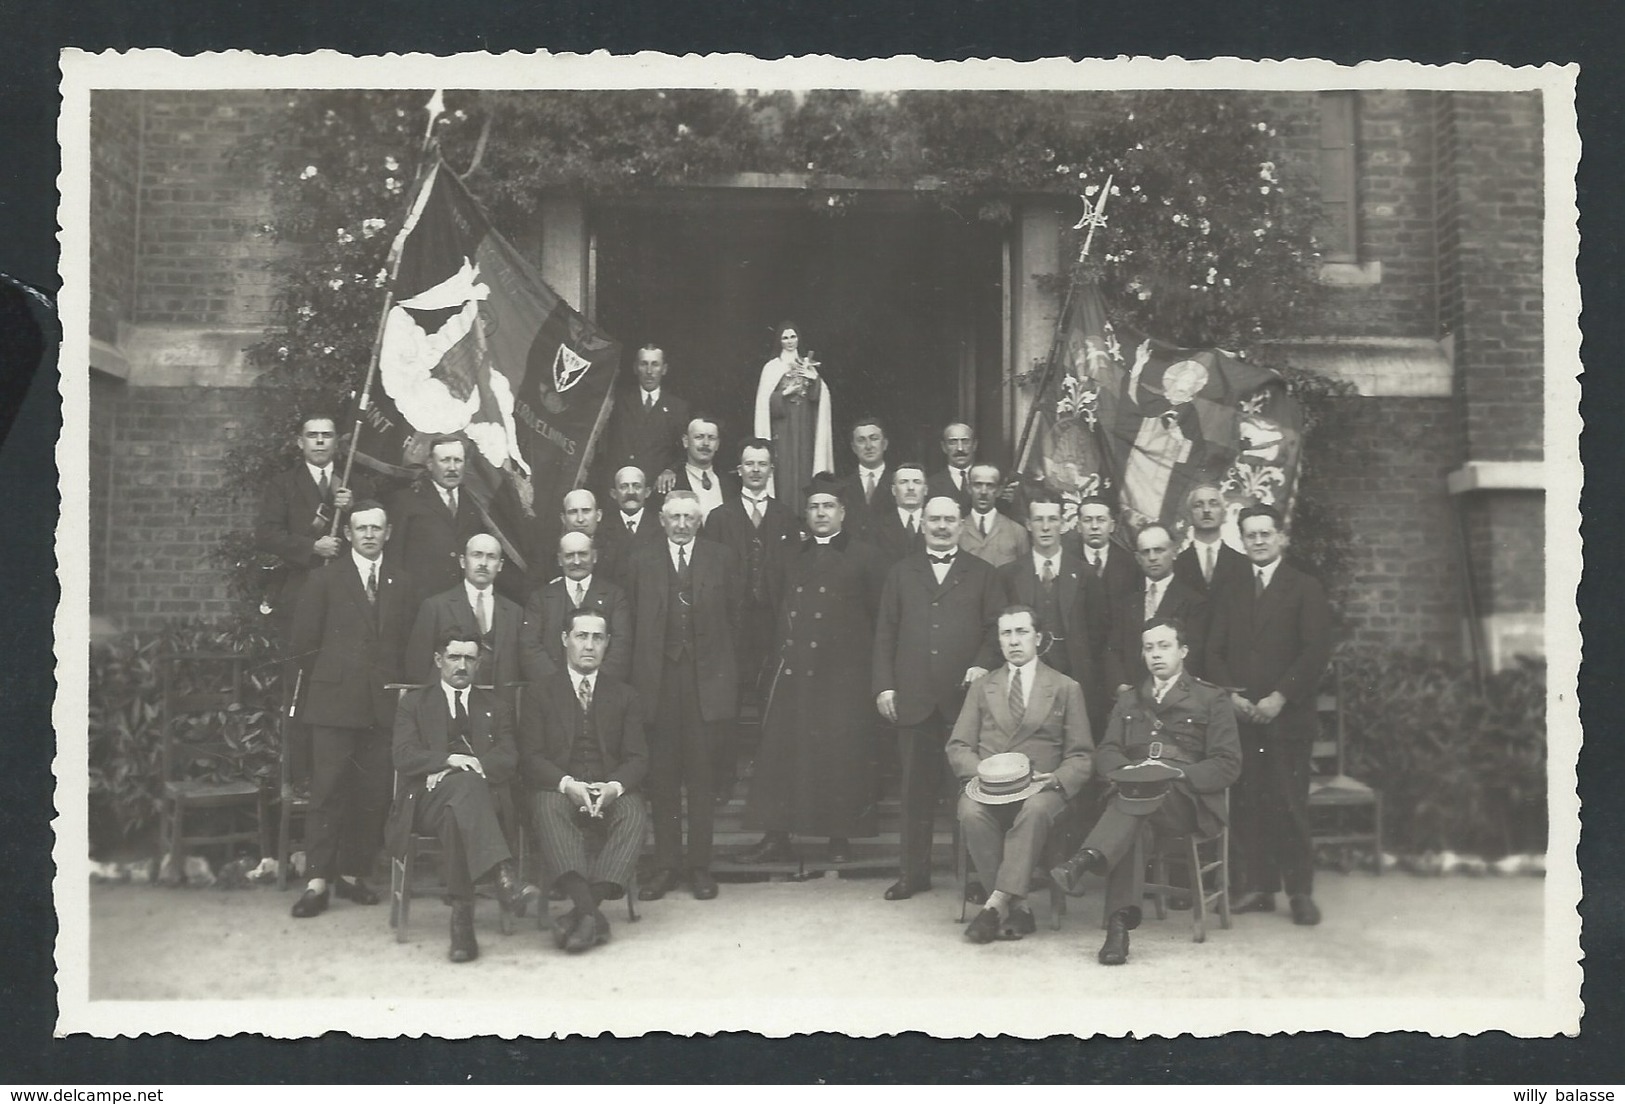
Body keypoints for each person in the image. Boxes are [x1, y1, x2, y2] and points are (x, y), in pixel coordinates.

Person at [1052, 617, 1242, 965]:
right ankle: (1118, 930)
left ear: (1183, 651)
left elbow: (1227, 763)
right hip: (1136, 795)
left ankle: (1086, 858)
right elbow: (1107, 751)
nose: (1156, 654)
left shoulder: (1211, 698)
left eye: (1164, 646)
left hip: (1185, 800)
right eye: (1149, 647)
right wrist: (1127, 772)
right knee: (1136, 814)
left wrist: (1176, 774)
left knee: (1137, 801)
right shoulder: (1130, 700)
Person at [734, 474, 888, 865]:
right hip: (796, 671)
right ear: (806, 513)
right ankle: (777, 836)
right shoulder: (790, 556)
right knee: (783, 755)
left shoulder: (866, 556)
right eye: (815, 507)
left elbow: (879, 618)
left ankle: (840, 837)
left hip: (843, 675)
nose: (821, 513)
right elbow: (774, 606)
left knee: (840, 756)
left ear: (842, 512)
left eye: (828, 507)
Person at [1203, 504, 1333, 925]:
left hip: (1286, 718)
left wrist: (1280, 697)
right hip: (1241, 717)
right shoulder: (1232, 590)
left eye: (1265, 533)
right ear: (1241, 540)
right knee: (1248, 804)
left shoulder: (1304, 587)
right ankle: (1258, 887)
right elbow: (1213, 651)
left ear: (1281, 538)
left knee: (1289, 804)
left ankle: (1299, 891)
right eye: (1250, 535)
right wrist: (1231, 697)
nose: (1258, 541)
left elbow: (1315, 652)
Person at [286, 500, 415, 919]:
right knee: (327, 791)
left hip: (382, 706)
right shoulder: (326, 580)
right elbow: (304, 645)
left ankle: (353, 874)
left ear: (388, 533)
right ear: (350, 534)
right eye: (361, 528)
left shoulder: (402, 582)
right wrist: (334, 678)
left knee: (371, 794)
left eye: (377, 528)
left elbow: (408, 645)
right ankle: (317, 881)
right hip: (333, 703)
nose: (369, 535)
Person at [872, 495, 1003, 900]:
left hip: (964, 702)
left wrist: (982, 664)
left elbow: (995, 630)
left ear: (962, 525)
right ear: (923, 524)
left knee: (969, 795)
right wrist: (884, 686)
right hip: (912, 698)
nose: (942, 526)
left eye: (949, 520)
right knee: (915, 793)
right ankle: (914, 874)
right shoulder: (900, 572)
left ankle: (977, 877)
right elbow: (885, 633)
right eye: (934, 520)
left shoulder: (983, 574)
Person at [386, 629, 540, 962]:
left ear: (479, 663)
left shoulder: (495, 706)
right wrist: (448, 761)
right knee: (464, 789)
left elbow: (509, 756)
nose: (462, 665)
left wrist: (471, 769)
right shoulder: (414, 703)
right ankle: (503, 876)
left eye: (470, 658)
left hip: (473, 803)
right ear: (439, 660)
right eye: (454, 657)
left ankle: (462, 923)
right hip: (426, 801)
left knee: (459, 808)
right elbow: (404, 755)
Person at [947, 606, 1094, 943]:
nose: (1014, 641)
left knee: (1034, 810)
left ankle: (996, 903)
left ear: (1039, 638)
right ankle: (1020, 907)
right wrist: (984, 775)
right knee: (969, 811)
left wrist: (1056, 779)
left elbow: (1082, 755)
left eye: (1022, 632)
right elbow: (958, 747)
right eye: (1006, 633)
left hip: (1041, 788)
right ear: (998, 640)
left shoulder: (1064, 687)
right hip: (987, 787)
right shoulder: (983, 686)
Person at [624, 491, 742, 901]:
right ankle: (666, 865)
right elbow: (632, 623)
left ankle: (700, 866)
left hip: (706, 683)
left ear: (699, 520)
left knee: (702, 778)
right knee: (663, 780)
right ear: (661, 519)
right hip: (657, 683)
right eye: (674, 517)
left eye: (689, 517)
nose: (681, 524)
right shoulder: (641, 560)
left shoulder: (721, 558)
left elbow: (737, 619)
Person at [520, 608, 651, 955]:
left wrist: (614, 788)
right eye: (581, 636)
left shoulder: (625, 695)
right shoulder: (540, 692)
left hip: (607, 787)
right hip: (561, 787)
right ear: (565, 640)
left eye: (597, 638)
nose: (589, 645)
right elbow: (531, 757)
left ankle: (581, 914)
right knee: (547, 807)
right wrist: (567, 784)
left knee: (634, 813)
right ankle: (593, 916)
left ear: (607, 643)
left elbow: (638, 758)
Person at [253, 413, 356, 787]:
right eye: (312, 436)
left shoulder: (350, 486)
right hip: (299, 596)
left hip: (344, 599)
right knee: (301, 685)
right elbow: (266, 534)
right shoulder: (284, 485)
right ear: (300, 442)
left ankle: (338, 775)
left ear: (336, 442)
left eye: (327, 435)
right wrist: (312, 546)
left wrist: (354, 504)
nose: (319, 442)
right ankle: (301, 775)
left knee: (340, 683)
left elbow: (372, 530)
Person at [701, 438, 801, 799]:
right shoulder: (719, 518)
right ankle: (723, 780)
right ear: (739, 470)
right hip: (731, 625)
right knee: (726, 699)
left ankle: (769, 778)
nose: (756, 470)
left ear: (771, 469)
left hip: (773, 623)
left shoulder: (786, 516)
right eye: (749, 463)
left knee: (771, 699)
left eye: (762, 464)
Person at [996, 493, 1111, 737]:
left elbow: (1098, 632)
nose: (1046, 527)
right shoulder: (1008, 574)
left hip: (1074, 677)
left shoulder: (1085, 574)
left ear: (1064, 523)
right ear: (1028, 524)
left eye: (1053, 519)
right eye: (1039, 520)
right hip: (1026, 681)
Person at [405, 533, 523, 700]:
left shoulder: (515, 612)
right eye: (477, 555)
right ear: (462, 561)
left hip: (498, 711)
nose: (483, 563)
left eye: (491, 557)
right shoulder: (436, 606)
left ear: (500, 565)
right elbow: (417, 669)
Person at [1104, 523, 1208, 693]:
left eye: (1159, 550)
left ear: (1174, 552)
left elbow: (1194, 655)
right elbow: (1114, 650)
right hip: (1131, 695)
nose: (1152, 557)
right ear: (1138, 558)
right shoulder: (1127, 602)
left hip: (1175, 696)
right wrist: (1120, 685)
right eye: (1146, 552)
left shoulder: (1194, 602)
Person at [520, 531, 633, 687]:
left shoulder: (614, 596)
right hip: (552, 691)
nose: (577, 561)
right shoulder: (541, 598)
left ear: (594, 556)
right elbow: (530, 647)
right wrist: (560, 684)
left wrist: (594, 684)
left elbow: (621, 647)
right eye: (569, 555)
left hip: (601, 691)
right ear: (560, 560)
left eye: (583, 554)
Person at [388, 436, 485, 610]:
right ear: (430, 464)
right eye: (445, 460)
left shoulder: (474, 505)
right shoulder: (407, 500)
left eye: (458, 461)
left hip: (462, 606)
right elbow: (394, 558)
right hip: (418, 606)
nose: (452, 468)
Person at [753, 320, 834, 511]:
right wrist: (785, 393)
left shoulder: (808, 364)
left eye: (793, 336)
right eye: (785, 337)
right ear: (779, 341)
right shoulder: (772, 368)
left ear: (798, 339)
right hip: (782, 431)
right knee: (784, 473)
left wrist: (815, 380)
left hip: (805, 428)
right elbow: (764, 406)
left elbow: (819, 398)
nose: (789, 341)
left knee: (806, 468)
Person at [602, 343, 690, 498]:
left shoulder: (677, 407)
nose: (649, 371)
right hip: (623, 489)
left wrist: (671, 470)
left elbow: (684, 452)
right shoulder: (617, 401)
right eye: (644, 364)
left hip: (656, 490)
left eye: (655, 365)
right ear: (636, 368)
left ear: (664, 369)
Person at [1173, 482, 1252, 600]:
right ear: (1189, 515)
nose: (1206, 510)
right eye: (1198, 505)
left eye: (1213, 504)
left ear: (1224, 514)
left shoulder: (1243, 564)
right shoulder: (1176, 565)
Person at [958, 464, 1029, 568]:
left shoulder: (1017, 532)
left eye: (990, 485)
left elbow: (1024, 575)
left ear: (999, 490)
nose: (983, 492)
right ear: (969, 488)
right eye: (978, 485)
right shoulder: (957, 531)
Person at [835, 415, 895, 539]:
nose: (868, 446)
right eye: (861, 440)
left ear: (885, 444)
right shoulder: (841, 486)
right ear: (853, 448)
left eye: (874, 439)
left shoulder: (898, 483)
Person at [670, 415, 735, 522]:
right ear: (686, 441)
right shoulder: (671, 484)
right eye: (699, 437)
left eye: (711, 438)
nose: (706, 443)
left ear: (717, 444)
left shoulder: (731, 484)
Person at [1071, 495, 1138, 597]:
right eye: (1087, 520)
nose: (1094, 526)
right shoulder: (1067, 561)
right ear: (1079, 526)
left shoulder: (1130, 563)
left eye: (1101, 520)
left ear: (1112, 526)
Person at [866, 461, 929, 567]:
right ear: (894, 490)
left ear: (926, 489)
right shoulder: (876, 528)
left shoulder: (937, 524)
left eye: (917, 482)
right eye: (903, 482)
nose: (910, 487)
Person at [559, 488, 625, 589]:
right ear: (563, 518)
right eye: (573, 512)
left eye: (586, 511)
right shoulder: (548, 553)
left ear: (598, 515)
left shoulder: (617, 550)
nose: (580, 519)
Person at [602, 465, 664, 561]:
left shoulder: (661, 526)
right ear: (613, 494)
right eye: (624, 487)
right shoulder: (603, 528)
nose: (631, 492)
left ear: (647, 492)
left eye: (637, 486)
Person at [926, 422, 977, 512]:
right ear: (944, 447)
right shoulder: (931, 484)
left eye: (965, 441)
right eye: (953, 442)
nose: (960, 448)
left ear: (974, 445)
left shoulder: (988, 481)